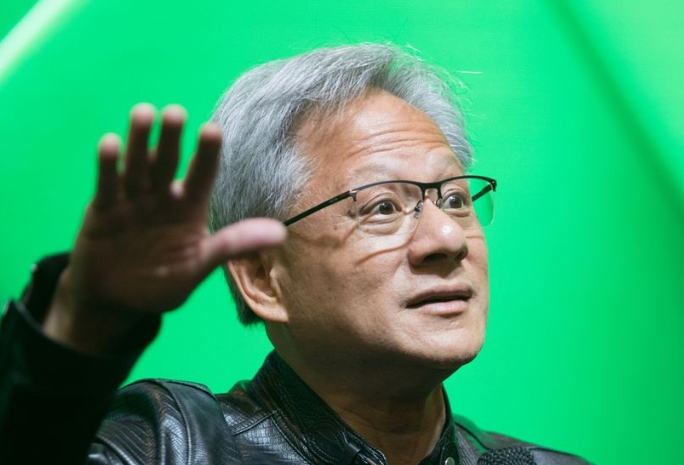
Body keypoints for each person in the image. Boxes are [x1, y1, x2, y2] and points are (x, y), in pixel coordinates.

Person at [0, 44, 591, 465]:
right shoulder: (170, 446)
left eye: (456, 199)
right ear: (263, 278)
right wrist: (81, 327)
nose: (447, 238)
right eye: (382, 206)